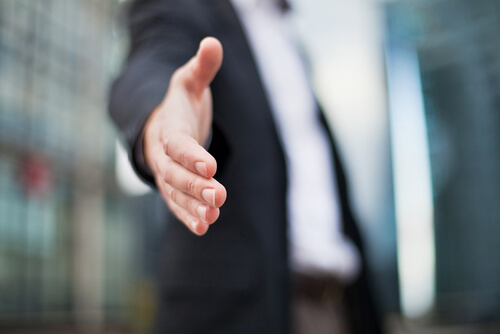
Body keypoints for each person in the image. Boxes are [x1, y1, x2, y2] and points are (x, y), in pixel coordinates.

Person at [109, 0, 382, 333]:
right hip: (239, 313)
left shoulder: (291, 40)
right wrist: (161, 119)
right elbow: (149, 63)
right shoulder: (186, 7)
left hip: (341, 306)